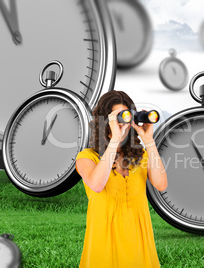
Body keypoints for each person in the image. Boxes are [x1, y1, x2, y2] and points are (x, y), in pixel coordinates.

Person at [75, 90, 167, 267]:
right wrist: (114, 140)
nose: (123, 125)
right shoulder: (86, 158)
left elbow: (161, 184)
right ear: (104, 122)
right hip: (105, 239)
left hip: (138, 238)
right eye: (119, 117)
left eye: (127, 117)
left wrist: (149, 141)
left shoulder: (142, 156)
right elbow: (96, 184)